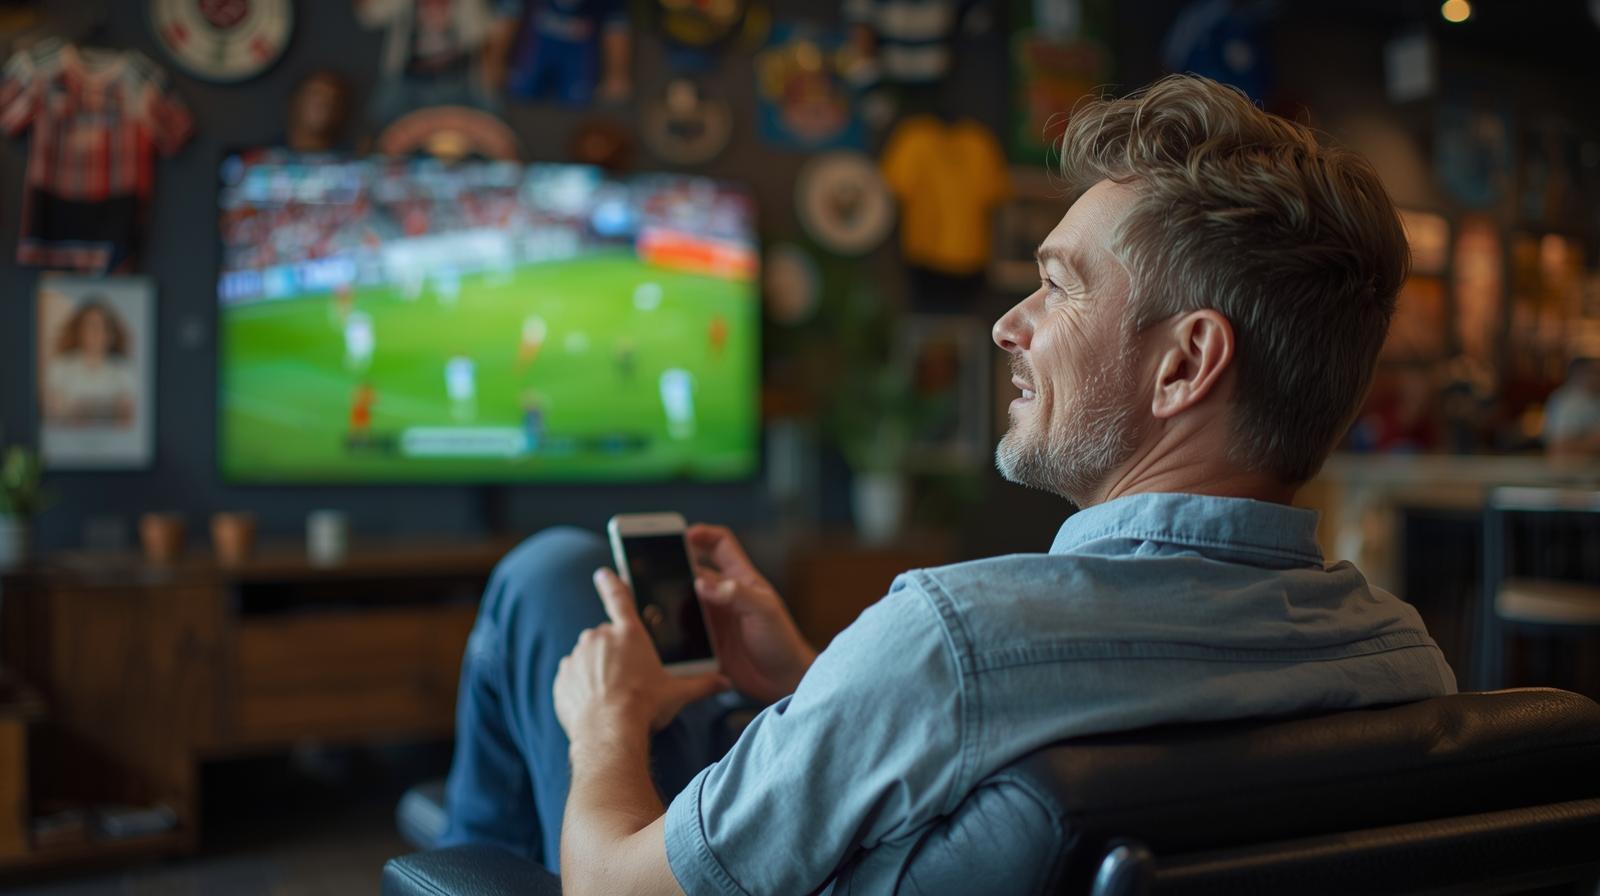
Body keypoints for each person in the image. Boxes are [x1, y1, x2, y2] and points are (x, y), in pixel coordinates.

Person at [439, 74, 1456, 894]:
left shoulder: (950, 641)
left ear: (1184, 363)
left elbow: (611, 886)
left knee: (545, 581)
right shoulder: (1400, 659)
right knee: (562, 573)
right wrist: (815, 684)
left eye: (1057, 285)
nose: (1008, 323)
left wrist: (604, 727)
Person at [43, 299, 137, 426]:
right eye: (89, 326)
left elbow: (127, 414)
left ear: (111, 334)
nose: (95, 333)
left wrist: (79, 408)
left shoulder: (123, 369)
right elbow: (55, 411)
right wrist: (107, 408)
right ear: (79, 331)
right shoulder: (60, 366)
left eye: (101, 326)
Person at [1543, 357, 1600, 458]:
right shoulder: (1567, 402)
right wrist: (1593, 442)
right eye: (1595, 373)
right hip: (1574, 466)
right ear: (1578, 374)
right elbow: (1558, 448)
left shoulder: (1594, 399)